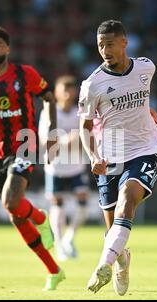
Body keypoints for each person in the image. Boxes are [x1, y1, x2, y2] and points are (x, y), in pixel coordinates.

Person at [0, 26, 65, 291]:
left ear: (7, 48)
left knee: (10, 201)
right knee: (15, 215)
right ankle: (54, 270)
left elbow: (49, 98)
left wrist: (51, 131)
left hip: (25, 144)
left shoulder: (25, 74)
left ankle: (41, 219)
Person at [78, 20, 157, 295]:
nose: (105, 50)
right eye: (100, 45)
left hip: (144, 149)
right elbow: (85, 126)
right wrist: (93, 156)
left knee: (128, 198)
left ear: (125, 43)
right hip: (110, 155)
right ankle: (122, 260)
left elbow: (142, 97)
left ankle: (103, 265)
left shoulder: (146, 67)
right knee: (112, 230)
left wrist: (148, 112)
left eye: (110, 44)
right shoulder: (92, 85)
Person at [39, 75, 89, 261]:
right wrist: (65, 139)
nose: (67, 94)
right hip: (56, 166)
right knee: (57, 205)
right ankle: (60, 245)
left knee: (83, 203)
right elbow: (45, 140)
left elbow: (89, 136)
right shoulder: (49, 113)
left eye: (70, 90)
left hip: (76, 165)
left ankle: (69, 238)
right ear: (57, 93)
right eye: (63, 90)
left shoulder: (80, 112)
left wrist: (82, 139)